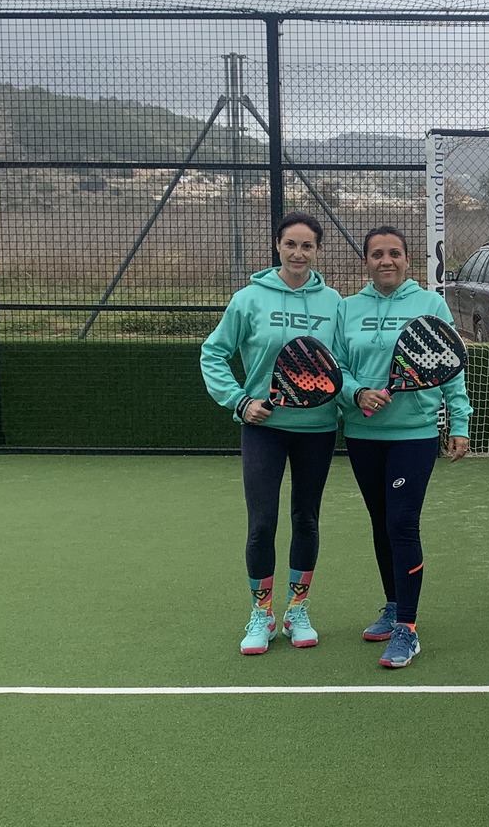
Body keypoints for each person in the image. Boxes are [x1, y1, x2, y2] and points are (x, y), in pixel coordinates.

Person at [199, 212, 343, 656]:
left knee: (306, 519)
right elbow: (213, 353)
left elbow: (343, 364)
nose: (298, 253)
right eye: (290, 244)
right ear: (277, 246)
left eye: (307, 245)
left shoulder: (334, 303)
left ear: (318, 251)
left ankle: (297, 611)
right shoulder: (248, 300)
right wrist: (240, 401)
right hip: (263, 429)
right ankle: (261, 615)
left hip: (317, 429)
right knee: (261, 524)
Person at [334, 226, 471, 670]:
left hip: (414, 433)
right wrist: (357, 393)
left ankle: (407, 629)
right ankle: (393, 605)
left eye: (394, 253)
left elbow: (449, 366)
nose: (386, 260)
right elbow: (336, 366)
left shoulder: (430, 305)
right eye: (377, 254)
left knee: (402, 522)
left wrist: (459, 422)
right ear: (367, 261)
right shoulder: (347, 308)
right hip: (362, 434)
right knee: (381, 523)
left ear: (407, 260)